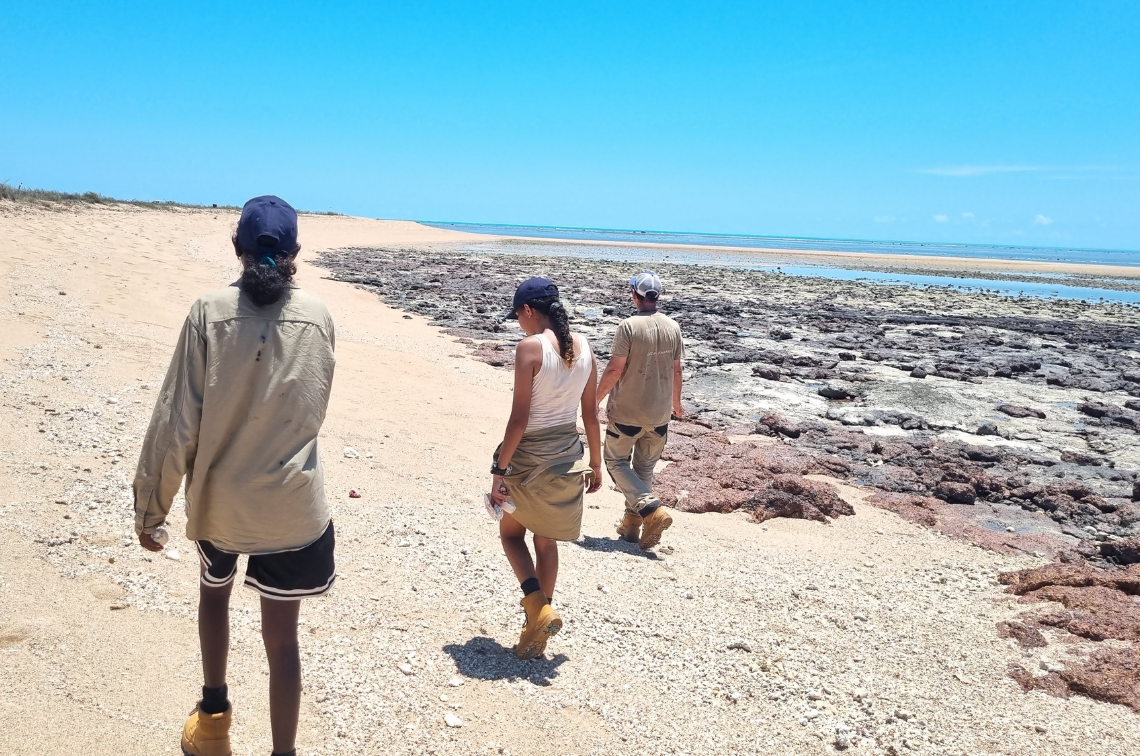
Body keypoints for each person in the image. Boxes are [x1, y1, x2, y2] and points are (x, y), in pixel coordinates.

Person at [133, 196, 337, 756]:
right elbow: (312, 407)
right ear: (296, 252)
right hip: (291, 502)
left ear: (236, 248)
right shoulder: (319, 316)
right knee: (283, 640)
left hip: (220, 499)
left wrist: (152, 508)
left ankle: (213, 724)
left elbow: (177, 420)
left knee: (214, 596)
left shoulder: (208, 311)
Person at [489, 277, 602, 659]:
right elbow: (591, 415)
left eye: (518, 316)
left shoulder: (530, 348)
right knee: (546, 540)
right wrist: (596, 464)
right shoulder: (586, 348)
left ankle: (537, 607)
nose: (520, 324)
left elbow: (519, 420)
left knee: (510, 535)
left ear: (528, 310)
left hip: (528, 459)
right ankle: (537, 626)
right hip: (567, 456)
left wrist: (499, 471)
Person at [596, 271, 685, 550]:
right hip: (659, 415)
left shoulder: (628, 326)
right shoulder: (673, 326)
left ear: (634, 295)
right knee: (644, 469)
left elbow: (615, 369)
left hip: (627, 413)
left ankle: (651, 509)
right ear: (657, 296)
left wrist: (594, 399)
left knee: (615, 462)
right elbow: (677, 370)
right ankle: (632, 526)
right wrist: (676, 403)